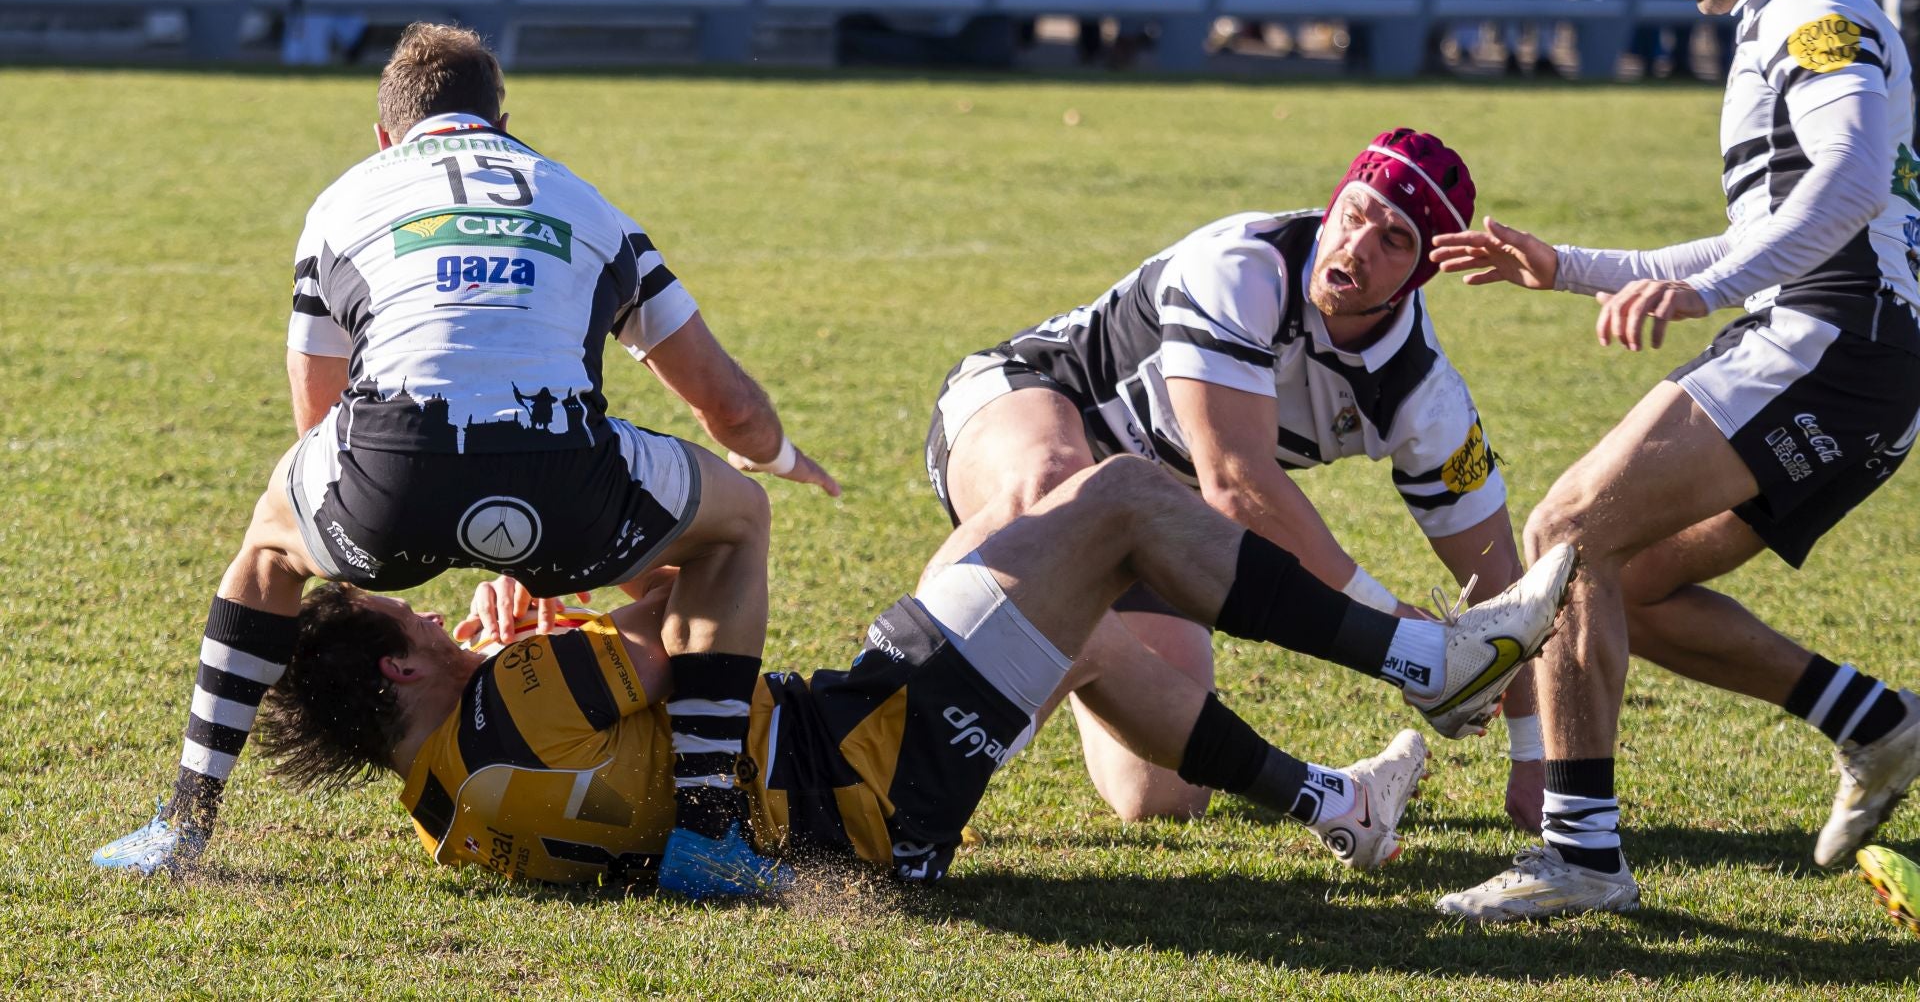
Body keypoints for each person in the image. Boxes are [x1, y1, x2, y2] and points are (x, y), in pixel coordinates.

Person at [91, 22, 839, 884]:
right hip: (568, 472)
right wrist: (778, 457)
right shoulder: (585, 201)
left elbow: (318, 425)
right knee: (737, 519)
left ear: (385, 136)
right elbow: (731, 406)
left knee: (267, 541)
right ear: (506, 121)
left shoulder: (347, 198)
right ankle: (711, 834)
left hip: (389, 473)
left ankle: (185, 821)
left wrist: (382, 557)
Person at [251, 455, 1578, 892]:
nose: (433, 614)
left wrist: (528, 644)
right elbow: (687, 616)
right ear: (396, 657)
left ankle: (1335, 807)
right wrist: (562, 607)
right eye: (405, 615)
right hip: (871, 772)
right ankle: (1434, 663)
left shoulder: (441, 810)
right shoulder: (514, 695)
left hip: (845, 770)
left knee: (1034, 573)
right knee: (1110, 503)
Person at [1430, 0, 1920, 921]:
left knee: (1563, 535)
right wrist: (1572, 268)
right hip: (1867, 361)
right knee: (1627, 582)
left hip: (1834, 336)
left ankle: (1578, 853)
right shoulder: (1791, 17)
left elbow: (1847, 186)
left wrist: (1700, 293)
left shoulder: (1814, 6)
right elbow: (1783, 219)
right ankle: (1874, 720)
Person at [926, 130, 1547, 827]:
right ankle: (897, 744)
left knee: (1162, 796)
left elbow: (1506, 587)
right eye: (1355, 211)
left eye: (1395, 239)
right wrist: (1397, 632)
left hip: (1158, 523)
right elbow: (1236, 485)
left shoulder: (1425, 397)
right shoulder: (1245, 268)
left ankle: (1045, 655)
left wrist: (1535, 758)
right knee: (1049, 488)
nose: (1357, 246)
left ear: (1420, 274)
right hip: (1031, 405)